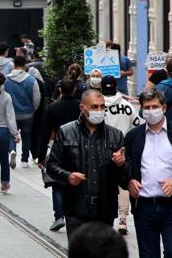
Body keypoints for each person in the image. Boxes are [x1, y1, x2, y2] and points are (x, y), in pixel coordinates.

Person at [46, 89, 126, 239]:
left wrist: (121, 164)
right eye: (95, 107)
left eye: (102, 107)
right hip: (76, 208)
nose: (100, 111)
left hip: (104, 209)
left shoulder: (115, 135)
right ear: (83, 108)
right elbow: (51, 166)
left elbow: (124, 178)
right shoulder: (66, 131)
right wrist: (68, 176)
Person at [123, 88, 172, 257]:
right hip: (144, 206)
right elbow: (126, 166)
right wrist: (129, 180)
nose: (151, 111)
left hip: (170, 206)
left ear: (163, 108)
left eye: (154, 106)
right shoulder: (133, 136)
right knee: (148, 254)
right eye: (147, 107)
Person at [38, 78, 82, 232]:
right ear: (75, 90)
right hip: (78, 148)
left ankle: (59, 216)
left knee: (57, 183)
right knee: (76, 180)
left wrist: (41, 155)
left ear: (60, 90)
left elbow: (45, 131)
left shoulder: (53, 107)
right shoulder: (80, 107)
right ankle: (76, 213)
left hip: (58, 148)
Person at [100, 75, 141, 235]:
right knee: (123, 184)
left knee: (106, 183)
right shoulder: (127, 105)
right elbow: (138, 124)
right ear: (116, 87)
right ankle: (123, 219)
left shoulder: (98, 106)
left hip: (102, 149)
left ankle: (105, 217)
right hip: (123, 149)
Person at [4, 56, 41, 169]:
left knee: (12, 134)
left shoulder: (6, 80)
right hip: (27, 114)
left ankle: (12, 150)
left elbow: (3, 97)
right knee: (26, 137)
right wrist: (33, 109)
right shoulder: (31, 80)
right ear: (25, 65)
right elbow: (36, 98)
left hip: (12, 113)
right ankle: (24, 160)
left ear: (14, 65)